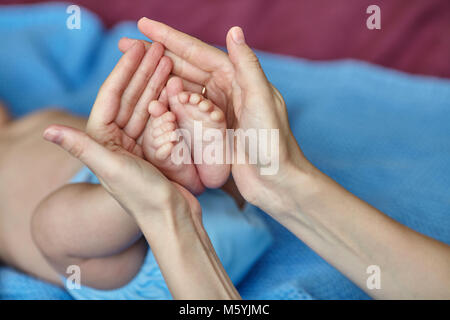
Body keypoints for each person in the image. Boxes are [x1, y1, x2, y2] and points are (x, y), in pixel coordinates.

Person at [43, 18, 450, 299]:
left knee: (57, 227)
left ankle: (164, 176)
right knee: (51, 229)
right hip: (144, 257)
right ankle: (184, 174)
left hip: (161, 227)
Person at [0, 41, 271, 298]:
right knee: (51, 225)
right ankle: (151, 179)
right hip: (128, 260)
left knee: (137, 128)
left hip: (206, 197)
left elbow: (119, 133)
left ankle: (197, 160)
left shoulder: (33, 119)